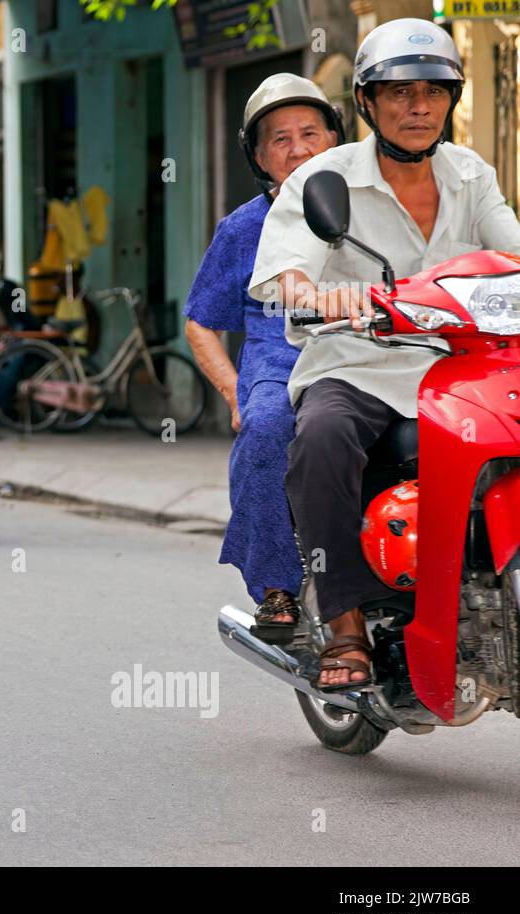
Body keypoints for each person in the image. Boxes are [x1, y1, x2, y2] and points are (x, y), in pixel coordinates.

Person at [248, 18, 520, 689]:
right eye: (399, 93)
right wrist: (314, 292)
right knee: (321, 436)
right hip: (358, 362)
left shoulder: (469, 173)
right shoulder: (326, 177)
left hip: (460, 367)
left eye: (433, 90)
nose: (418, 106)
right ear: (366, 103)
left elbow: (511, 254)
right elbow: (284, 271)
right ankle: (344, 626)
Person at [184, 75, 341, 639]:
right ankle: (277, 585)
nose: (298, 148)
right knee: (269, 427)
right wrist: (234, 393)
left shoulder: (375, 205)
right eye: (279, 139)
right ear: (257, 155)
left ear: (335, 139)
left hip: (364, 346)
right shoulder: (244, 228)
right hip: (279, 358)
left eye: (309, 133)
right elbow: (200, 322)